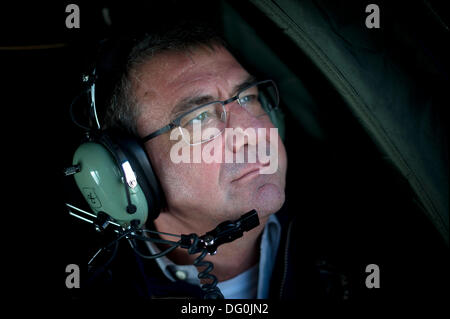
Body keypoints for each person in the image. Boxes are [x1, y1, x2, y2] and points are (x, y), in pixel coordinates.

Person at [81, 21, 347, 300]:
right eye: (199, 117)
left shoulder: (354, 231)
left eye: (249, 98)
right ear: (131, 171)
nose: (254, 133)